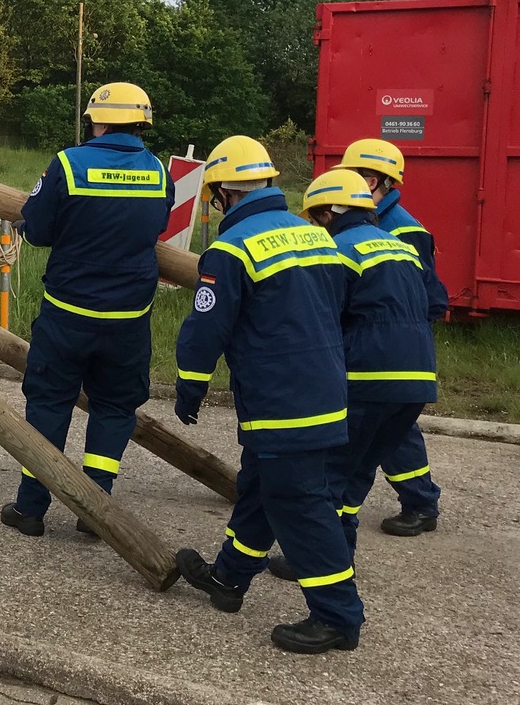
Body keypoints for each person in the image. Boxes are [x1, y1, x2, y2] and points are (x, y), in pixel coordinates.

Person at [172, 135, 362, 655]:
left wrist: (190, 381)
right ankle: (229, 580)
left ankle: (338, 616)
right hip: (324, 387)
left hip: (281, 400)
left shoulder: (231, 249)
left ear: (221, 195)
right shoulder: (316, 236)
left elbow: (206, 326)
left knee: (299, 503)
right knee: (260, 486)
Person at [0, 82, 173, 537]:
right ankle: (95, 511)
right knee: (115, 408)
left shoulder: (69, 164)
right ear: (141, 123)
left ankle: (31, 508)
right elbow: (157, 225)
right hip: (129, 319)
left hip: (67, 313)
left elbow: (36, 229)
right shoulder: (158, 170)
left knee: (49, 403)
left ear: (98, 120)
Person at [266, 170, 437, 582]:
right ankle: (340, 554)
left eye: (315, 217)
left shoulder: (338, 250)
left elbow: (322, 317)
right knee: (357, 471)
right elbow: (435, 301)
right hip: (417, 380)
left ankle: (322, 562)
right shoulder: (400, 247)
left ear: (329, 213)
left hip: (367, 376)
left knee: (330, 473)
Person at [335, 138, 446, 537]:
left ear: (374, 179)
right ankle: (415, 500)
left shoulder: (404, 229)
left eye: (353, 176)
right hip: (387, 346)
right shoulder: (372, 218)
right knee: (388, 430)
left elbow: (431, 297)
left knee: (389, 433)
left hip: (387, 345)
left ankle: (420, 502)